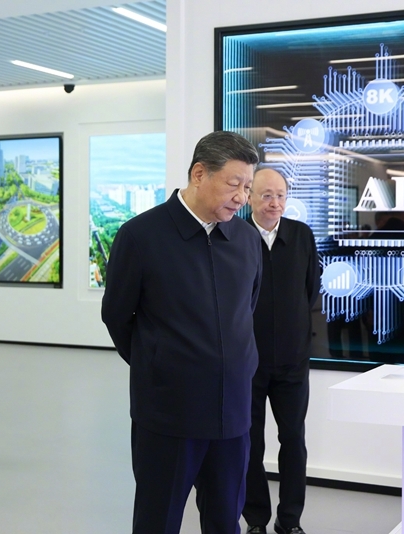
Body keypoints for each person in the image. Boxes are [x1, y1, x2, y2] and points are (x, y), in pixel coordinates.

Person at [101, 131, 263, 534]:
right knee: (158, 520)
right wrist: (159, 361)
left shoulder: (246, 239)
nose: (242, 197)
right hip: (168, 412)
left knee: (225, 520)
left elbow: (247, 310)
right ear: (199, 174)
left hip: (233, 412)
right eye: (234, 184)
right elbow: (117, 316)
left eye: (247, 187)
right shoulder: (141, 235)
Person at [242, 168, 320, 534]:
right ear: (249, 197)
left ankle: (289, 521)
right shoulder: (234, 235)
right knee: (249, 444)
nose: (275, 203)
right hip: (247, 362)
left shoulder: (301, 235)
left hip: (292, 362)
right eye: (266, 195)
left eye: (281, 196)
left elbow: (310, 290)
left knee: (293, 441)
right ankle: (256, 520)